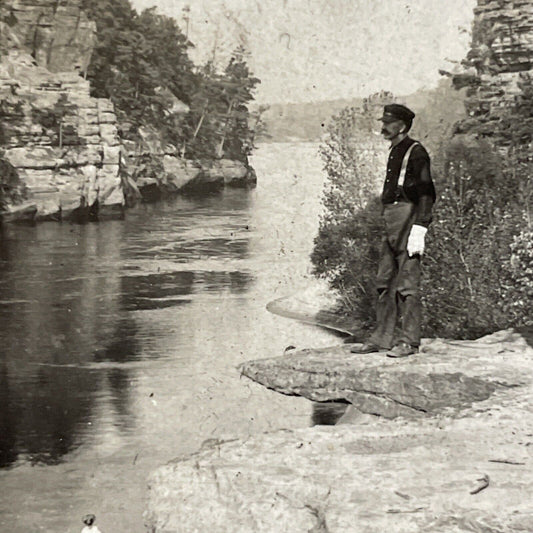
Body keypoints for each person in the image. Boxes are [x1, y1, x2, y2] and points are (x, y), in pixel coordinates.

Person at [351, 103, 436, 358]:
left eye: (388, 123)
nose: (383, 127)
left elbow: (427, 193)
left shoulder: (416, 151)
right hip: (390, 216)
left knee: (407, 283)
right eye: (383, 122)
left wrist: (420, 227)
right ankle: (382, 337)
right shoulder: (394, 150)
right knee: (384, 280)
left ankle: (409, 342)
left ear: (402, 125)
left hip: (408, 217)